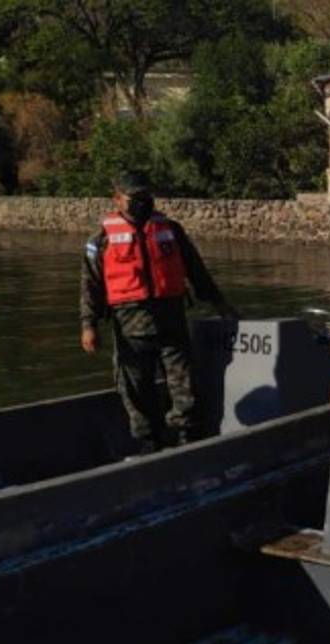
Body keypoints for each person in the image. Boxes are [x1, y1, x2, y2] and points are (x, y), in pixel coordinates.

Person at [80, 171, 238, 453]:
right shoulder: (101, 238)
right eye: (135, 198)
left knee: (183, 383)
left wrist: (219, 303)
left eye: (146, 196)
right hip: (129, 325)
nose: (142, 202)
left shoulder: (171, 230)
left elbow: (196, 271)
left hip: (171, 319)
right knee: (135, 388)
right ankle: (148, 442)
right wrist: (88, 325)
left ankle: (185, 437)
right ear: (117, 199)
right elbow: (90, 285)